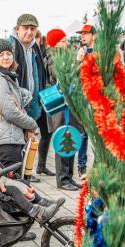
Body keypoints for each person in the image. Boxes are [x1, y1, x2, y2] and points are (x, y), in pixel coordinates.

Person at [0, 40, 38, 170]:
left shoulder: (6, 76)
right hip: (5, 144)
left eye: (8, 54)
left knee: (15, 185)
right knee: (13, 186)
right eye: (1, 54)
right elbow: (10, 112)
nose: (6, 57)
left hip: (10, 139)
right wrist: (32, 124)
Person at [8, 14, 51, 182]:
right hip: (16, 102)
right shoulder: (10, 46)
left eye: (33, 29)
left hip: (32, 101)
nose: (29, 32)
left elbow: (38, 74)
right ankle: (18, 173)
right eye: (25, 28)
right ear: (17, 28)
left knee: (30, 138)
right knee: (18, 140)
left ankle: (27, 171)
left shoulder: (34, 48)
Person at [43, 29, 80, 190]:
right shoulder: (53, 57)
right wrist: (78, 63)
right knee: (62, 138)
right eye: (64, 40)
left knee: (70, 138)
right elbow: (63, 76)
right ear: (55, 42)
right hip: (60, 105)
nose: (67, 43)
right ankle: (63, 178)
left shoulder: (63, 55)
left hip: (68, 103)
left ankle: (69, 176)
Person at [74, 24, 96, 179]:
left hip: (99, 97)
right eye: (81, 34)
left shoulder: (100, 52)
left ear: (93, 36)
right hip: (83, 98)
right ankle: (82, 167)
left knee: (98, 134)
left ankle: (99, 166)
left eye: (86, 34)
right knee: (83, 135)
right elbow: (74, 75)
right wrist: (79, 60)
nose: (82, 36)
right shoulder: (80, 52)